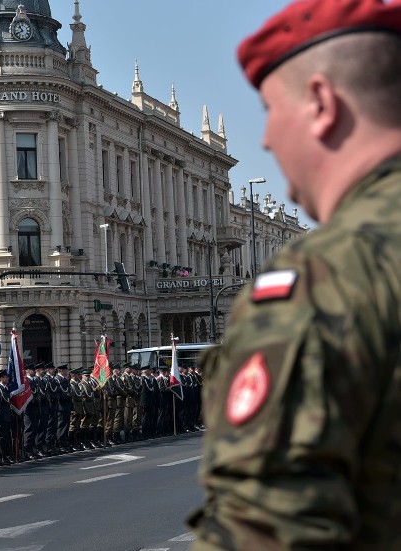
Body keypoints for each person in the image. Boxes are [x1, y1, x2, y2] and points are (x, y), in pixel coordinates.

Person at [189, 1, 401, 548]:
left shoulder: (330, 274)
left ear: (321, 104)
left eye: (271, 111)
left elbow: (267, 529)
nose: (266, 141)